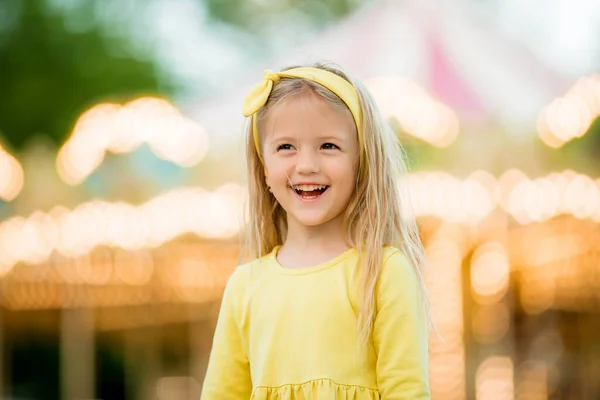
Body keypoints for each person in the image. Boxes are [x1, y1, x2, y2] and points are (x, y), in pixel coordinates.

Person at [201, 63, 431, 399]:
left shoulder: (383, 273)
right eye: (286, 147)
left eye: (328, 146)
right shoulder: (244, 286)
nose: (307, 165)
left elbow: (406, 390)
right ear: (264, 168)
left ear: (361, 162)